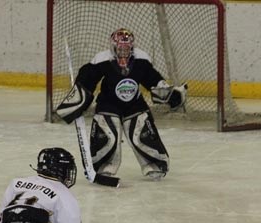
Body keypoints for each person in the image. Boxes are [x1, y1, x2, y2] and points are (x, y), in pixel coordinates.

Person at [57, 28, 187, 180]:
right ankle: (104, 166)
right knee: (107, 133)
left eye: (127, 48)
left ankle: (155, 164)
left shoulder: (141, 59)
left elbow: (152, 78)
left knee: (141, 130)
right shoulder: (102, 59)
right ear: (113, 46)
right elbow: (88, 79)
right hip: (108, 103)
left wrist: (168, 92)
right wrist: (77, 100)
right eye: (120, 48)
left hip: (135, 104)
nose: (124, 51)